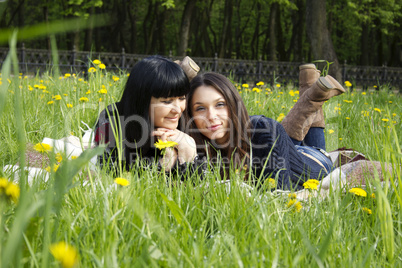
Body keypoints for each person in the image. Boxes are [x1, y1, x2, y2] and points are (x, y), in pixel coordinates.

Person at [185, 71, 348, 190]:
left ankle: (312, 95)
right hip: (285, 148)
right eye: (200, 108)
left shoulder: (262, 130)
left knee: (270, 133)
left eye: (220, 104)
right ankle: (312, 90)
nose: (211, 116)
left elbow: (279, 195)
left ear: (233, 104)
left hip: (315, 159)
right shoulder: (194, 144)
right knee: (278, 138)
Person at [94, 55, 199, 174]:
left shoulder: (188, 120)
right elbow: (107, 171)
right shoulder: (112, 118)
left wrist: (189, 152)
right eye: (167, 101)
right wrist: (163, 164)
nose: (178, 110)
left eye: (181, 98)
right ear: (141, 100)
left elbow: (202, 185)